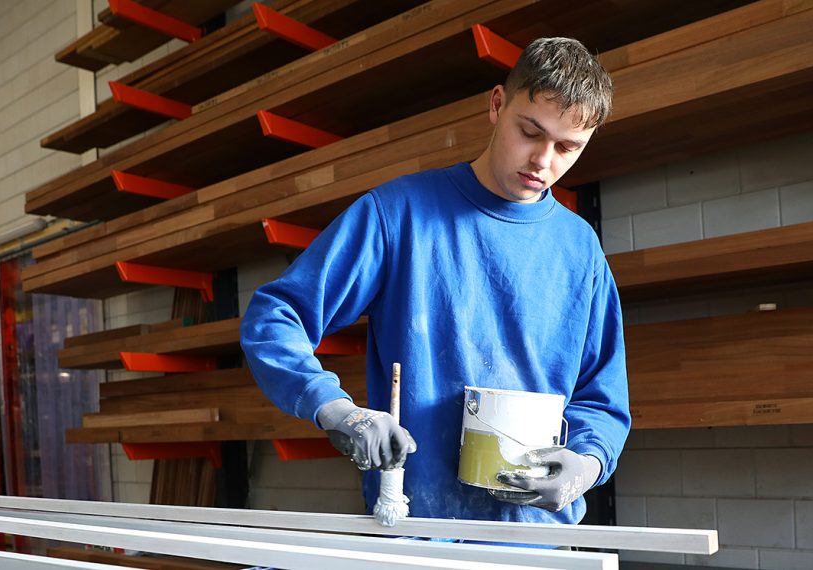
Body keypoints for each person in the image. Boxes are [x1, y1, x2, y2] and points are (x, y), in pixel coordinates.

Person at [240, 37, 630, 525]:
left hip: (537, 540)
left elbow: (603, 395)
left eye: (567, 147)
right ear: (496, 104)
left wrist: (586, 465)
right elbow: (276, 316)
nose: (543, 161)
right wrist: (336, 409)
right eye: (530, 132)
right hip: (416, 524)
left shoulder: (580, 248)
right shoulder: (399, 214)